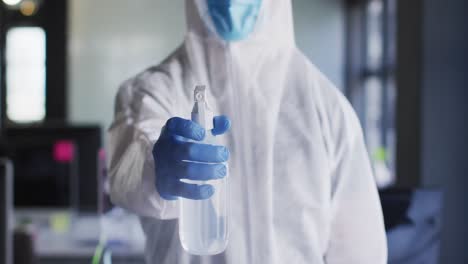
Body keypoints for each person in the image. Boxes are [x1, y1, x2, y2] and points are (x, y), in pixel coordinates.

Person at [107, 0, 388, 263]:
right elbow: (125, 176)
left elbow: (359, 249)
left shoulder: (326, 107)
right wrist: (156, 171)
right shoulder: (152, 93)